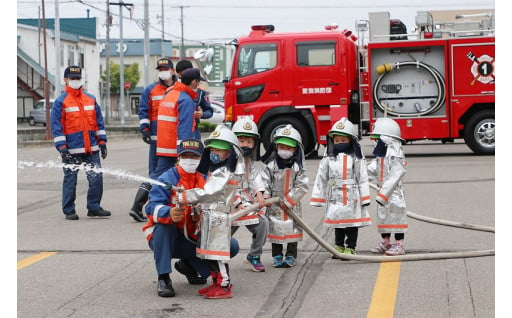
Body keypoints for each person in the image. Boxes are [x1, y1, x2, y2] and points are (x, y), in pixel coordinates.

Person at [143, 138, 239, 297]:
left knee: (231, 246)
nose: (189, 160)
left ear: (202, 159)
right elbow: (150, 207)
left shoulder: (206, 179)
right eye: (185, 156)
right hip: (167, 239)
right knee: (165, 227)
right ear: (178, 158)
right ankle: (164, 278)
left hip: (192, 236)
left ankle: (188, 265)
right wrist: (168, 213)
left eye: (194, 156)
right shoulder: (167, 179)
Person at [177, 125, 245, 299]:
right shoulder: (215, 171)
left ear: (230, 153)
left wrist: (186, 196)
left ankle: (224, 286)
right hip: (209, 217)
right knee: (209, 255)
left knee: (218, 255)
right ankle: (215, 283)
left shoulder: (224, 172)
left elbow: (209, 193)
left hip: (218, 219)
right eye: (212, 149)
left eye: (219, 150)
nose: (215, 152)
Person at [50, 65, 110, 220]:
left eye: (77, 78)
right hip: (71, 150)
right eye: (72, 78)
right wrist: (62, 148)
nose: (75, 81)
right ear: (65, 80)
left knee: (96, 178)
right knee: (70, 180)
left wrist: (102, 142)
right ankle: (69, 210)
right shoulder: (61, 102)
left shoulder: (90, 99)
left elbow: (98, 123)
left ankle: (94, 207)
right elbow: (57, 127)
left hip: (92, 148)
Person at [310, 118, 371, 258]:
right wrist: (318, 198)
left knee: (351, 223)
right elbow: (321, 177)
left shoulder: (356, 158)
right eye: (337, 141)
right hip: (335, 194)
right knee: (338, 222)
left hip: (352, 194)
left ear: (350, 141)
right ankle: (338, 246)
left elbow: (362, 177)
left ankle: (351, 246)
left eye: (343, 140)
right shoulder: (329, 158)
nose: (340, 143)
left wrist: (365, 197)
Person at [129, 57, 177, 222]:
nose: (163, 72)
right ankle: (143, 206)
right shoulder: (150, 90)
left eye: (166, 69)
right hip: (157, 139)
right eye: (160, 69)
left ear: (173, 71)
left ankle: (152, 204)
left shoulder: (179, 89)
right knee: (156, 173)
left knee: (162, 173)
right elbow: (143, 111)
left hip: (172, 139)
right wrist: (145, 129)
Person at [261, 124, 309, 268]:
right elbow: (265, 182)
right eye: (282, 147)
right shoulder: (270, 165)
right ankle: (276, 255)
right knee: (275, 229)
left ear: (295, 149)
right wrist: (267, 197)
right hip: (275, 205)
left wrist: (289, 201)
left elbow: (302, 185)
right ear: (276, 147)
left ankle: (290, 255)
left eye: (288, 148)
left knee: (292, 230)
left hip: (292, 206)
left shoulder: (298, 167)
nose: (285, 151)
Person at [231, 117, 270, 272]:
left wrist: (260, 194)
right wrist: (237, 203)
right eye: (241, 140)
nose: (245, 145)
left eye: (249, 141)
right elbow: (226, 184)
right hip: (229, 205)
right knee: (222, 236)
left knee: (262, 224)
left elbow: (255, 178)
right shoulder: (226, 159)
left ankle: (254, 255)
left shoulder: (249, 161)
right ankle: (212, 260)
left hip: (247, 203)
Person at [153, 68, 205, 178]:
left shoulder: (170, 94)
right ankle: (149, 193)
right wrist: (184, 152)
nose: (198, 85)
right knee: (169, 179)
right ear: (194, 82)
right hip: (175, 148)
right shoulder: (185, 100)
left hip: (164, 145)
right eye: (198, 82)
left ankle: (149, 193)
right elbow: (184, 128)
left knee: (160, 177)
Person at [367, 117, 408, 256]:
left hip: (394, 193)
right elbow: (374, 168)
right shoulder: (382, 154)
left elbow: (397, 173)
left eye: (379, 139)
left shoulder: (396, 155)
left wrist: (384, 193)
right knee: (383, 217)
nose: (376, 142)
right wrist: (361, 174)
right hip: (382, 191)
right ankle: (386, 242)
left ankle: (399, 245)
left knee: (397, 218)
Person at [175, 59, 213, 140]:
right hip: (176, 129)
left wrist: (202, 114)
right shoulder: (173, 91)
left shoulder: (200, 91)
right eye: (183, 74)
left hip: (194, 129)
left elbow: (209, 111)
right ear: (178, 74)